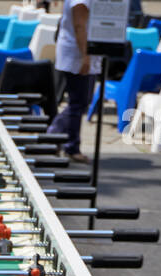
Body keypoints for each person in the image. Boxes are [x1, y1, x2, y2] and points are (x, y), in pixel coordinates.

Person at [45, 0, 99, 164]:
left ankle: (58, 139)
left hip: (77, 52)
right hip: (76, 54)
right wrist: (85, 56)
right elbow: (79, 25)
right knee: (78, 102)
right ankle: (63, 142)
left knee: (80, 102)